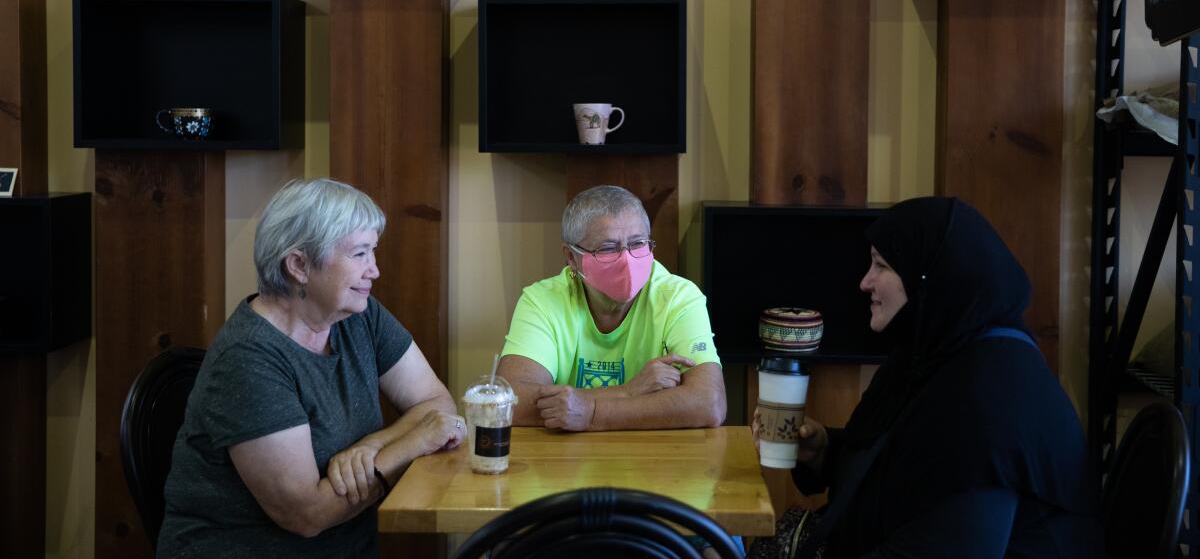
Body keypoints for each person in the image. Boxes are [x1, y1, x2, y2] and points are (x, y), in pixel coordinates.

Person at [753, 197, 1103, 558]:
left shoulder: (991, 397)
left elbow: (952, 547)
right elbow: (904, 467)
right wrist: (823, 450)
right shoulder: (937, 354)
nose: (865, 282)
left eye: (882, 266)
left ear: (928, 277)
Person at [157, 178, 465, 557]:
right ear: (299, 264)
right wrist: (413, 443)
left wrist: (372, 445)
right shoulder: (248, 359)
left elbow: (437, 403)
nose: (375, 271)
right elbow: (307, 515)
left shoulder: (358, 315)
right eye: (359, 254)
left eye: (374, 252)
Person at [497, 184, 727, 431]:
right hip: (565, 461)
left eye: (638, 244)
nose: (627, 260)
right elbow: (508, 402)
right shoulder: (542, 300)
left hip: (655, 459)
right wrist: (627, 392)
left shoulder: (678, 297)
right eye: (607, 248)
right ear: (572, 258)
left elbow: (709, 403)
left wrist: (592, 413)